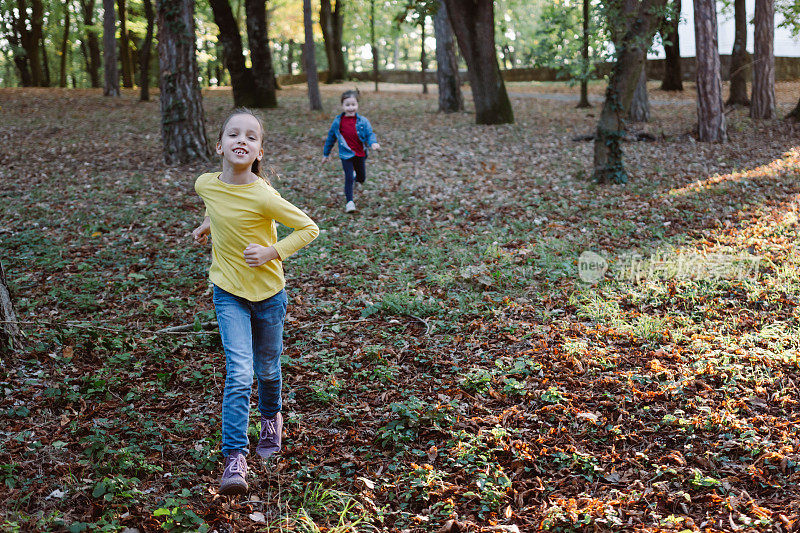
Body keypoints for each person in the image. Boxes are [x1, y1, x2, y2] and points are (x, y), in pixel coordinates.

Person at [192, 108, 319, 495]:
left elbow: (309, 228)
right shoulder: (205, 184)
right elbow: (219, 206)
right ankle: (234, 458)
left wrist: (271, 252)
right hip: (228, 292)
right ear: (220, 146)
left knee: (266, 367)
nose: (241, 140)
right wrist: (206, 226)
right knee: (240, 372)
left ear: (259, 151)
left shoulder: (264, 195)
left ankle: (271, 418)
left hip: (268, 296)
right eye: (233, 134)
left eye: (250, 136)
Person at [321, 89, 381, 213]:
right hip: (346, 155)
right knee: (348, 178)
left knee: (362, 178)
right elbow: (331, 138)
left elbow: (370, 134)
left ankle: (356, 176)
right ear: (342, 106)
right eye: (347, 105)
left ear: (357, 105)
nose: (350, 108)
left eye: (353, 104)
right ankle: (349, 202)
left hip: (360, 153)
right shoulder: (338, 122)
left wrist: (373, 143)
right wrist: (326, 154)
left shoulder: (363, 121)